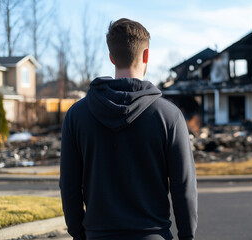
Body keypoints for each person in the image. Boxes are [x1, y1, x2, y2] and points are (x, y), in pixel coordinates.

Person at [59, 18, 198, 240]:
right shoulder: (169, 117)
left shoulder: (76, 116)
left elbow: (69, 186)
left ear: (111, 57)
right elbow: (184, 189)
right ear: (146, 56)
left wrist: (78, 234)